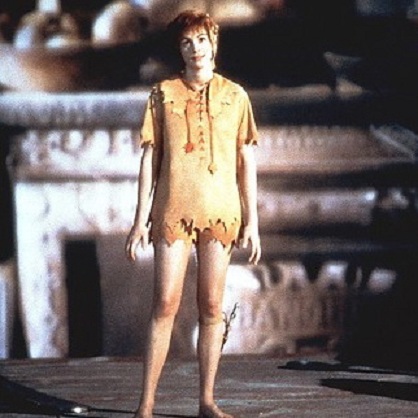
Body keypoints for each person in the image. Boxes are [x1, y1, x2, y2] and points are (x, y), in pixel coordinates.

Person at [125, 10, 261, 418]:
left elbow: (246, 161)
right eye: (186, 42)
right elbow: (150, 160)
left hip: (221, 211)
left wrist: (253, 222)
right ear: (179, 49)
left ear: (213, 42)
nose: (195, 48)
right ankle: (146, 405)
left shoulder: (235, 97)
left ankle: (206, 400)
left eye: (201, 39)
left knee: (212, 306)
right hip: (173, 210)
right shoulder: (162, 95)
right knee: (165, 303)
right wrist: (139, 220)